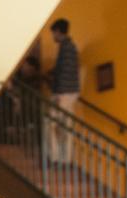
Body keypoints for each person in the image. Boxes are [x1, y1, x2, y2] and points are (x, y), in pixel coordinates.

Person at [48, 18, 80, 163]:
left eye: (53, 33)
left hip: (65, 92)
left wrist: (58, 94)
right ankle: (63, 159)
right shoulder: (68, 47)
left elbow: (66, 71)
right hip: (69, 91)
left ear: (58, 31)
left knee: (52, 123)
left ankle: (57, 158)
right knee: (63, 127)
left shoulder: (67, 48)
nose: (52, 36)